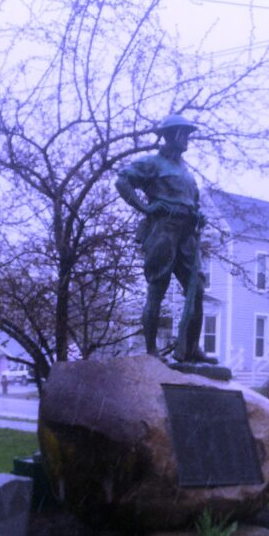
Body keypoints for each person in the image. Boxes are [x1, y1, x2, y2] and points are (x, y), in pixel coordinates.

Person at [116, 114, 215, 364]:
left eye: (188, 134)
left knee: (197, 289)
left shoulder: (185, 171)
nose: (187, 139)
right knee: (157, 288)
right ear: (171, 136)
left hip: (187, 233)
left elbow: (191, 201)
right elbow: (122, 181)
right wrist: (144, 208)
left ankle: (190, 349)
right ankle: (151, 352)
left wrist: (198, 214)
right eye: (184, 134)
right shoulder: (153, 164)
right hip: (164, 229)